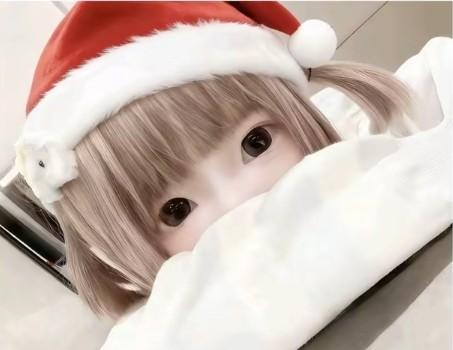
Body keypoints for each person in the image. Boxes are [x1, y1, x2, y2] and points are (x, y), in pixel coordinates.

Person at [13, 1, 416, 319]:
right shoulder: (172, 349)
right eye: (175, 210)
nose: (241, 204)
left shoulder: (404, 154)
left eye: (256, 143)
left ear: (298, 113)